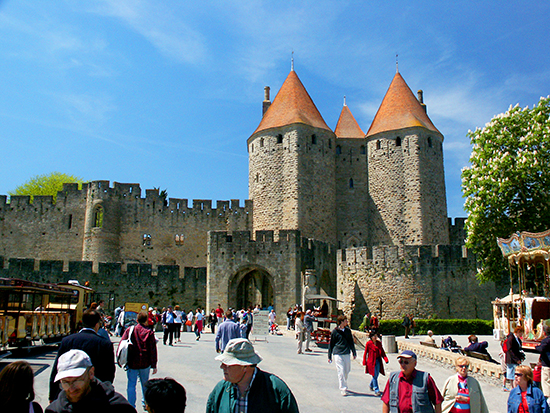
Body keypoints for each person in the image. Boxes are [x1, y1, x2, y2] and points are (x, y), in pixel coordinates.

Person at [206, 338, 299, 413]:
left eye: (228, 363)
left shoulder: (276, 390)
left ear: (245, 366)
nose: (222, 367)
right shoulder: (220, 390)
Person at [49, 309, 115, 402]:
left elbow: (57, 369)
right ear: (97, 324)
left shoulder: (67, 341)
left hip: (68, 394)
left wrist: (52, 395)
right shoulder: (104, 344)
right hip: (94, 396)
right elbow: (109, 373)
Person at [46, 349, 136, 413]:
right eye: (65, 382)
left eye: (76, 380)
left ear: (91, 373)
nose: (71, 389)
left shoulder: (118, 407)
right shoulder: (54, 410)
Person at [119, 311, 158, 409]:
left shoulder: (130, 330)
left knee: (131, 384)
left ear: (137, 320)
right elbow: (153, 350)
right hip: (145, 362)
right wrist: (154, 364)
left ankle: (131, 405)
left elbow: (122, 344)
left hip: (132, 361)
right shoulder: (149, 332)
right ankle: (146, 403)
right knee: (145, 384)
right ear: (146, 321)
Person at [328, 315, 357, 396]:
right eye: (345, 321)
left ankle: (344, 382)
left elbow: (351, 342)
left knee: (347, 370)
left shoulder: (348, 331)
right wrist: (329, 356)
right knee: (341, 370)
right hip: (338, 353)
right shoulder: (335, 332)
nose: (347, 322)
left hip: (346, 352)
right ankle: (343, 388)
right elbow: (331, 344)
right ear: (341, 322)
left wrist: (354, 352)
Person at [362, 331, 389, 397]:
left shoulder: (379, 343)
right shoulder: (369, 344)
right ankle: (376, 390)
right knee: (374, 375)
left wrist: (385, 359)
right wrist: (364, 361)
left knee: (376, 375)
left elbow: (382, 352)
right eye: (374, 336)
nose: (375, 337)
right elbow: (366, 353)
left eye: (376, 336)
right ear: (371, 337)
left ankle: (371, 385)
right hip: (371, 362)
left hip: (378, 361)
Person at [535, 324, 550, 399]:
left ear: (544, 333)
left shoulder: (545, 341)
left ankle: (548, 399)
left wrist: (537, 346)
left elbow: (541, 349)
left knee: (546, 382)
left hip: (547, 364)